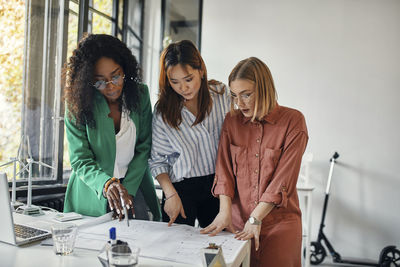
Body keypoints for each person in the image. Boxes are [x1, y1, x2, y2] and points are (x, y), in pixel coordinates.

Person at [201, 57, 308, 267]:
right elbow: (223, 171)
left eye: (246, 95)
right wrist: (224, 214)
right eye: (234, 96)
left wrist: (255, 218)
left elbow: (282, 180)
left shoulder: (293, 121)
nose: (239, 104)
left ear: (265, 89)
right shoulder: (231, 122)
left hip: (279, 226)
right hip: (237, 224)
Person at [63, 34, 161, 221]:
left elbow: (144, 147)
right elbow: (80, 159)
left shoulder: (140, 95)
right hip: (93, 190)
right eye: (99, 81)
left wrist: (129, 190)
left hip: (134, 184)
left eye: (116, 76)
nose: (110, 87)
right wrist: (107, 184)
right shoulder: (78, 103)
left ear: (125, 69)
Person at [149, 40, 230, 227]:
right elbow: (157, 160)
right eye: (174, 82)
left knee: (218, 247)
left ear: (200, 71)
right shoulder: (163, 111)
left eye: (188, 79)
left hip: (218, 187)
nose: (183, 88)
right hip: (180, 189)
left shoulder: (221, 95)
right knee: (175, 248)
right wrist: (170, 194)